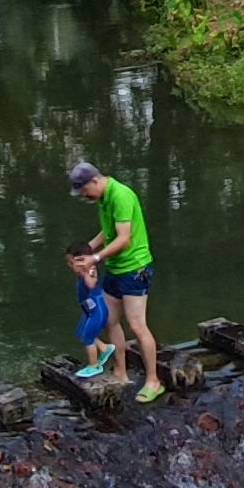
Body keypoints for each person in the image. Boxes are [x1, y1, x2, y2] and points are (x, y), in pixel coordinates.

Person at [66, 154, 162, 400]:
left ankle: (153, 381)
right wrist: (86, 251)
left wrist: (95, 259)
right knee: (109, 320)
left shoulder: (120, 195)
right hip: (116, 268)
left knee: (137, 325)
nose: (85, 197)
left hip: (135, 268)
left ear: (95, 181)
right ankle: (121, 371)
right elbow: (108, 232)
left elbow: (123, 238)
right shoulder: (103, 198)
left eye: (85, 191)